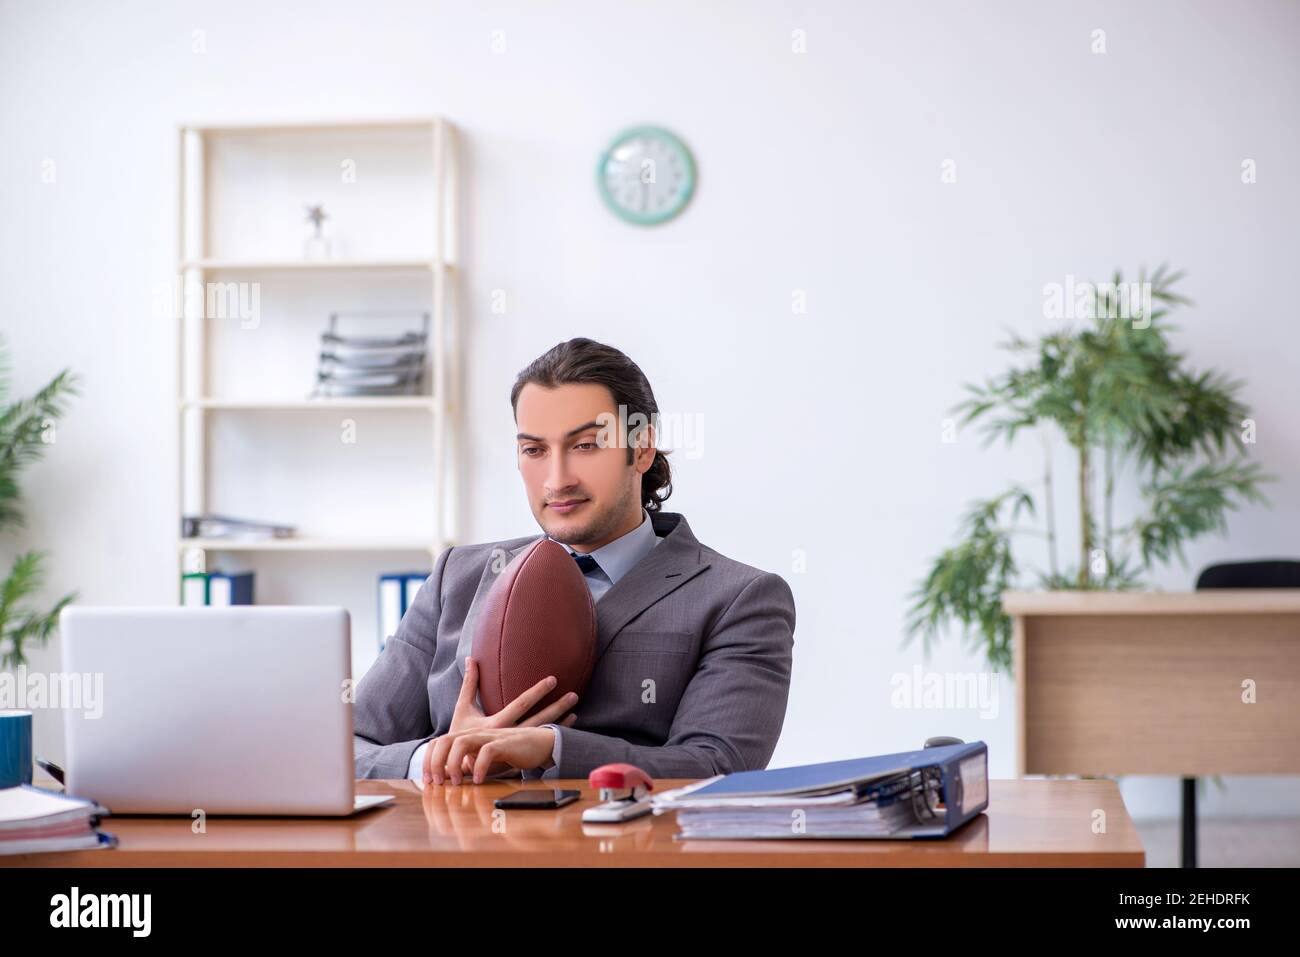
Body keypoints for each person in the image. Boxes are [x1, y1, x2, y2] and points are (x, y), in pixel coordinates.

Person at [353, 337, 795, 784]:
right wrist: (437, 757)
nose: (557, 480)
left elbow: (718, 767)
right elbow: (345, 746)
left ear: (641, 449)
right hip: (455, 852)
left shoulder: (740, 598)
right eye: (534, 450)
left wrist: (551, 749)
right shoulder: (457, 577)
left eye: (585, 445)